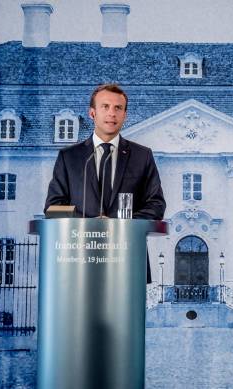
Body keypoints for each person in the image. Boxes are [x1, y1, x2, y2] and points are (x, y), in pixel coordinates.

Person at [45, 83, 166, 282]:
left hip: (127, 259)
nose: (112, 113)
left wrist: (119, 224)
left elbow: (156, 205)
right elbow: (52, 208)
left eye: (118, 108)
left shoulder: (142, 156)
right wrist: (90, 223)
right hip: (78, 259)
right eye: (105, 107)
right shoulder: (70, 157)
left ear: (125, 115)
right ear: (92, 113)